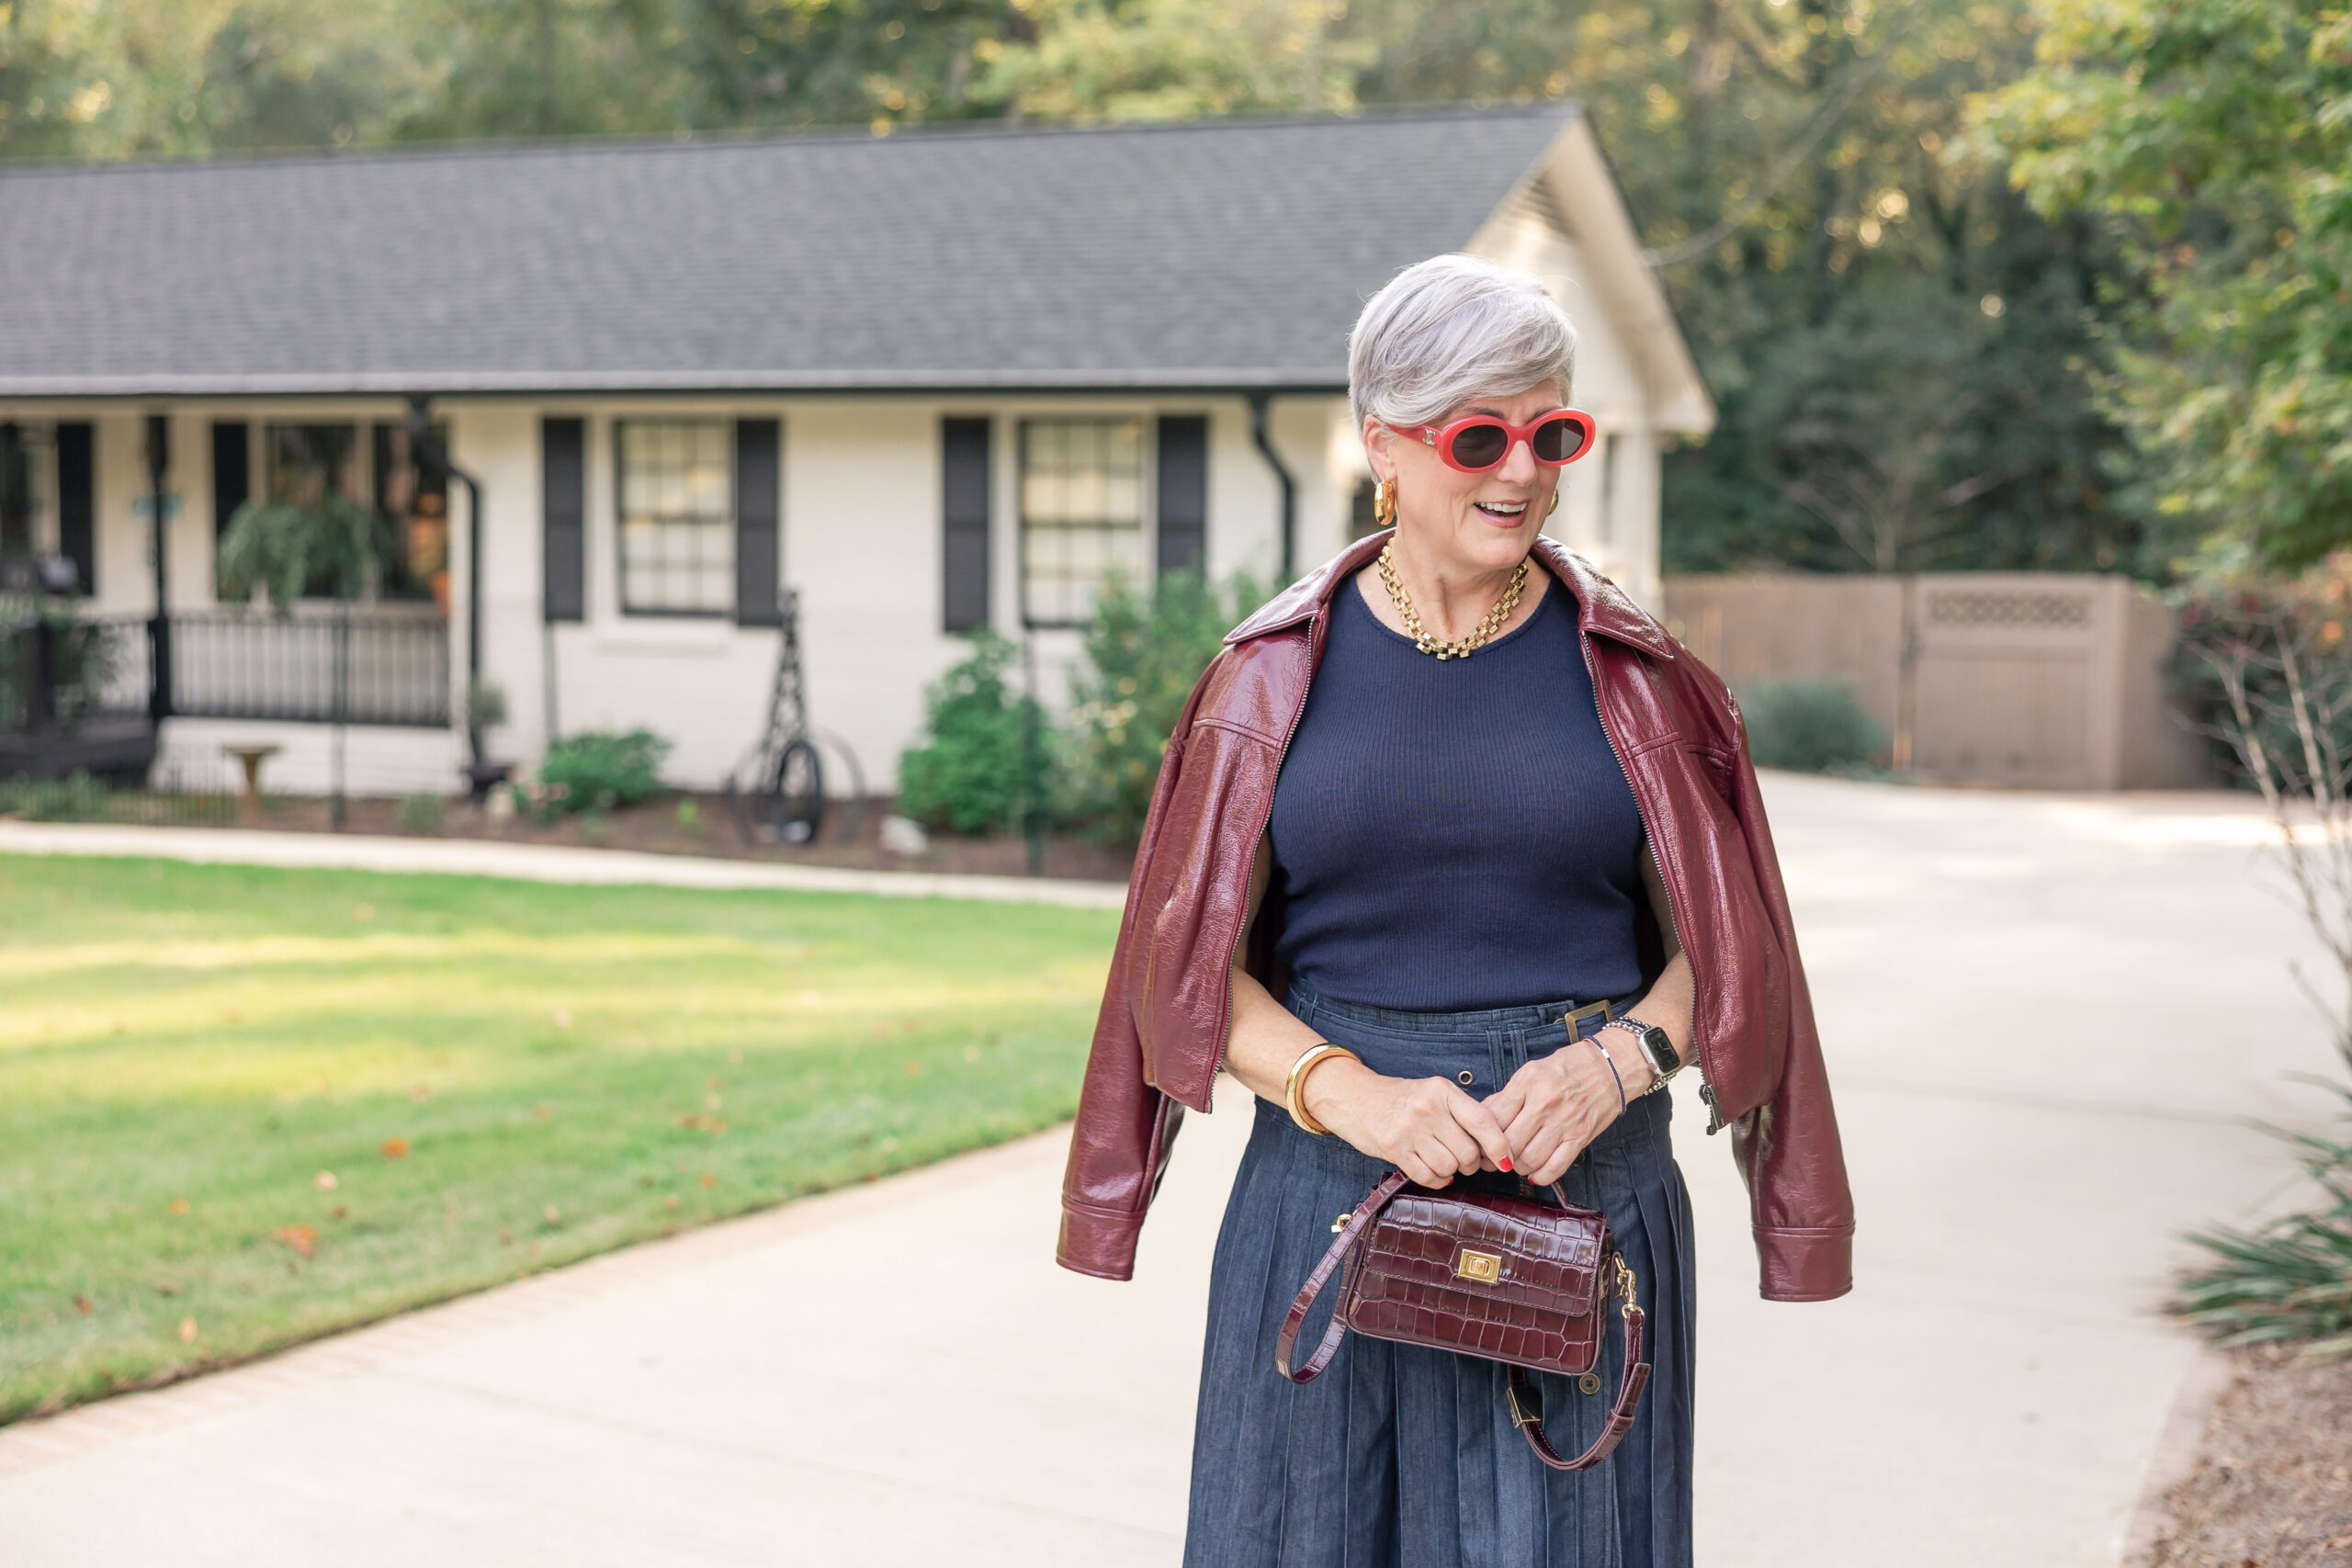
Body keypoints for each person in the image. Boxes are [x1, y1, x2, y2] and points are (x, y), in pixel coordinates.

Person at [1057, 253, 1855, 1568]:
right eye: (1479, 434)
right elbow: (1181, 978)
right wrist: (1345, 1092)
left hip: (1582, 1198)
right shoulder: (1264, 678)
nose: (1523, 469)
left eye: (1555, 432)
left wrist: (1621, 1060)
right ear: (1382, 443)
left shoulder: (1648, 680)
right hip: (1324, 1192)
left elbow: (1733, 950)